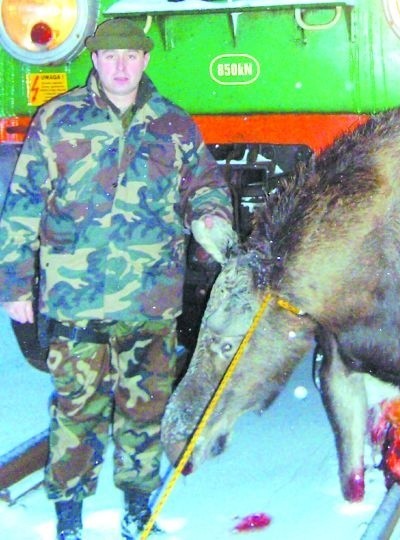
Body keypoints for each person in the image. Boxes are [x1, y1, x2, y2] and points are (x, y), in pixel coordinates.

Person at [0, 18, 236, 540]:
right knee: (75, 415)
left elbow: (205, 184)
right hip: (75, 301)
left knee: (143, 413)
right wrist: (15, 283)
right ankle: (68, 516)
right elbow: (22, 204)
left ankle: (136, 509)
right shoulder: (58, 119)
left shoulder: (174, 124)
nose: (121, 66)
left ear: (145, 60)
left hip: (150, 301)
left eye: (131, 56)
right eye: (111, 57)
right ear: (96, 61)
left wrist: (211, 216)